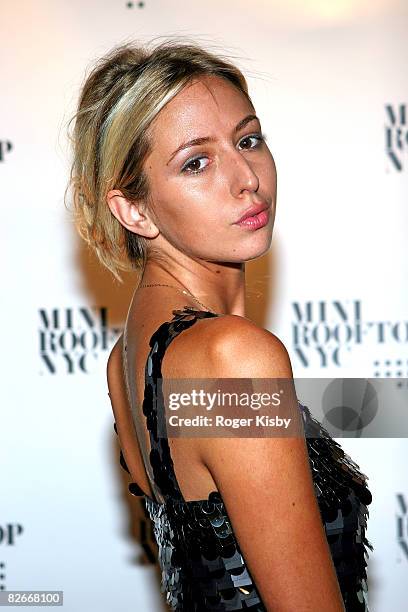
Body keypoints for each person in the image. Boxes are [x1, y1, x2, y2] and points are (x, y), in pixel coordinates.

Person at [67, 38, 373, 611]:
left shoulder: (127, 359)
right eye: (196, 162)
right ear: (134, 210)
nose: (246, 178)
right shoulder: (232, 357)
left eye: (249, 140)